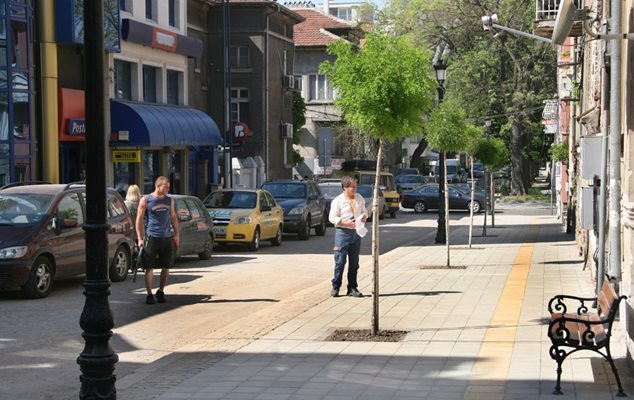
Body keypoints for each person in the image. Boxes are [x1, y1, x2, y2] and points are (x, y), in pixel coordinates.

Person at [136, 176, 180, 304]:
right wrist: (139, 238)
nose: (167, 189)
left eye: (168, 187)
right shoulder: (146, 200)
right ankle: (149, 294)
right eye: (165, 187)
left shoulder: (169, 200)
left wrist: (177, 234)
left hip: (166, 237)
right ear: (158, 186)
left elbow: (173, 216)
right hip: (152, 237)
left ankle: (160, 291)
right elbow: (138, 219)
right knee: (149, 267)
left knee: (166, 266)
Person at [328, 176, 367, 298]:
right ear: (345, 188)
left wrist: (364, 217)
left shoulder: (359, 198)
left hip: (356, 232)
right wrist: (345, 223)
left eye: (356, 187)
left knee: (354, 262)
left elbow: (365, 211)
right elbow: (332, 218)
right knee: (340, 261)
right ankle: (336, 286)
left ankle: (352, 287)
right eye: (352, 187)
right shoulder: (338, 201)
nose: (355, 189)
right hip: (343, 233)